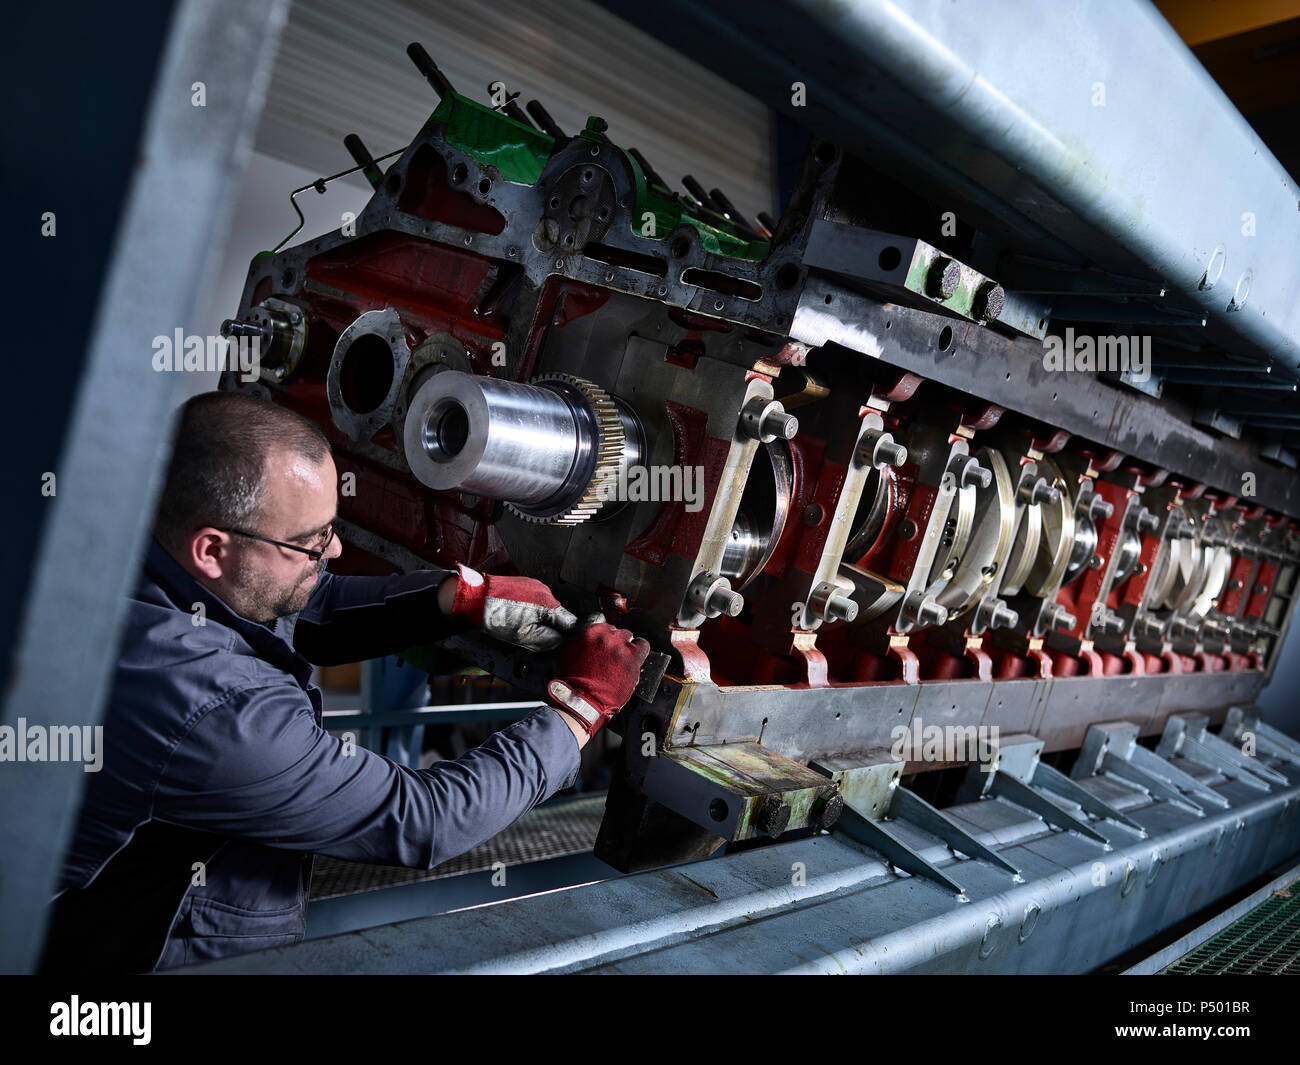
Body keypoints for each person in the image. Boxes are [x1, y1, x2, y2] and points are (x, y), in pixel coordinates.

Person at [38, 390, 649, 973]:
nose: (333, 553)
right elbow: (424, 820)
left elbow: (309, 604)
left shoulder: (135, 548)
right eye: (310, 543)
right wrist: (579, 708)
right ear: (212, 549)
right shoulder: (215, 711)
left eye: (331, 528)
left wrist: (457, 596)